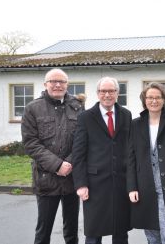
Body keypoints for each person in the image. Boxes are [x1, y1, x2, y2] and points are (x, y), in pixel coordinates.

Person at [21, 68, 84, 244]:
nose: (57, 84)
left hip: (72, 179)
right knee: (43, 231)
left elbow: (83, 140)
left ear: (67, 84)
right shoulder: (33, 108)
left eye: (62, 81)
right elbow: (30, 143)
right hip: (46, 179)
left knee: (72, 231)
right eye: (53, 81)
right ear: (45, 84)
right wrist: (57, 165)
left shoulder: (77, 106)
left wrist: (69, 163)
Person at [127, 82, 165, 244]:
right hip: (145, 186)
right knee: (152, 234)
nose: (153, 101)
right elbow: (130, 158)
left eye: (157, 97)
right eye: (150, 97)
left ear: (164, 100)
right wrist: (132, 187)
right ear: (144, 100)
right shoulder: (135, 124)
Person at [72, 77, 132, 244]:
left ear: (117, 94)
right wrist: (81, 184)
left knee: (121, 232)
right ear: (98, 94)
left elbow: (129, 149)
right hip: (95, 184)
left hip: (121, 182)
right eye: (103, 91)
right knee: (94, 233)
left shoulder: (126, 115)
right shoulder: (85, 117)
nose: (107, 95)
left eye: (111, 91)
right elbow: (78, 153)